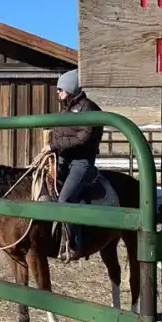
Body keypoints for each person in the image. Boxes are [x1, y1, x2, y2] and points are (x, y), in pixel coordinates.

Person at [43, 69, 104, 257]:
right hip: (64, 158)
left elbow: (83, 138)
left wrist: (53, 145)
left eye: (60, 89)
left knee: (65, 199)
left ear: (70, 89)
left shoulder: (90, 109)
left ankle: (75, 244)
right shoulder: (68, 109)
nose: (58, 93)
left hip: (81, 161)